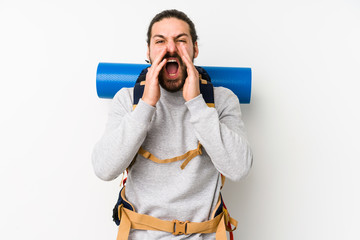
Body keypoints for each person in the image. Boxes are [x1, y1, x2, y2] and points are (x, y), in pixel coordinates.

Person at [92, 9, 253, 240]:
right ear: (148, 51)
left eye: (181, 40)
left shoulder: (222, 99)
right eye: (160, 41)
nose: (171, 48)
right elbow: (103, 168)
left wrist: (197, 103)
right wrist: (146, 104)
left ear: (195, 49)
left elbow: (239, 168)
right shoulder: (128, 99)